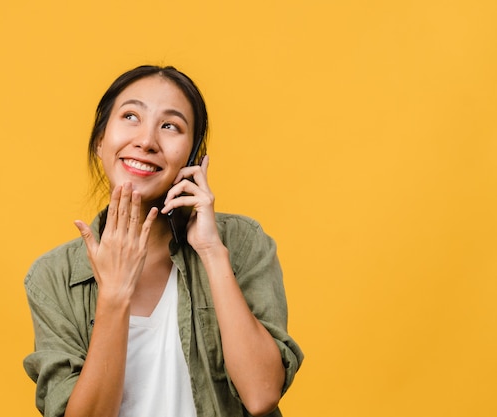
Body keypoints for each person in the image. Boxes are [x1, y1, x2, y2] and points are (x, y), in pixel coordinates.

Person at [23, 65, 303, 417]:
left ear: (191, 156)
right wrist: (114, 295)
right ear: (100, 140)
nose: (146, 141)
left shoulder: (242, 243)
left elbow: (261, 395)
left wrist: (212, 252)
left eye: (170, 126)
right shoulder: (53, 278)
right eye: (130, 116)